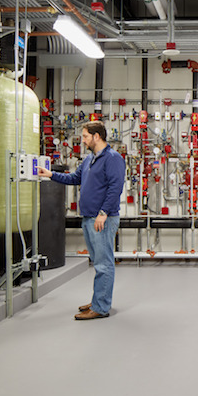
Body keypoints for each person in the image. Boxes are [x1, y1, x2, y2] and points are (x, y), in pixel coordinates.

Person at [39, 120, 125, 320]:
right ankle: (98, 300)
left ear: (97, 136)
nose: (83, 140)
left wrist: (103, 213)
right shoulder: (89, 160)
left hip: (102, 219)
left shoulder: (113, 158)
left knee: (104, 264)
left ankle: (101, 307)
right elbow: (73, 178)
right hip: (88, 218)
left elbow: (115, 187)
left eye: (85, 136)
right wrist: (50, 174)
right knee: (97, 262)